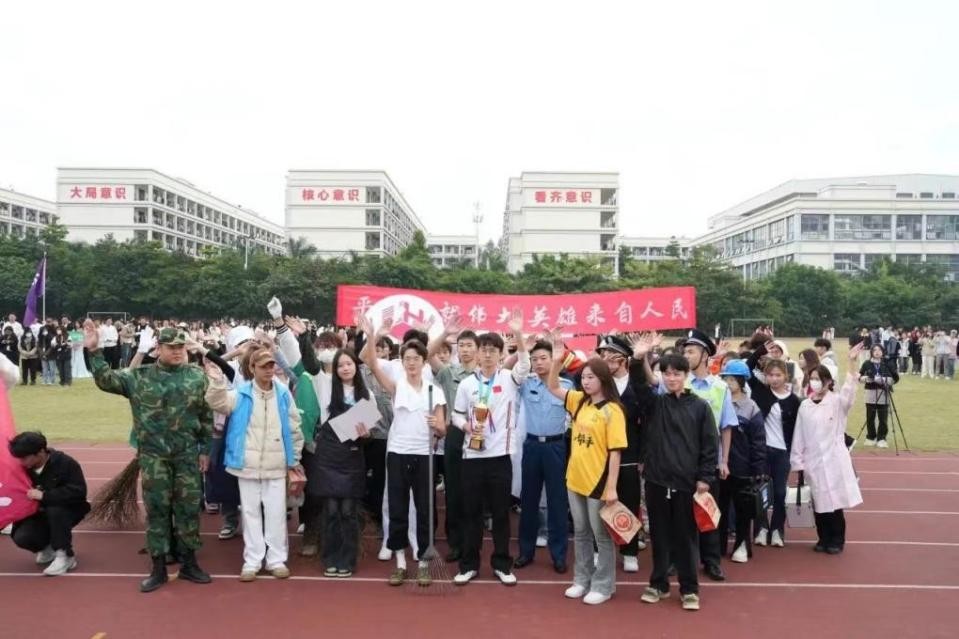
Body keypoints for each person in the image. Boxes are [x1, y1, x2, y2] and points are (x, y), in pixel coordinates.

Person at [86, 320, 214, 593]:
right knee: (157, 511)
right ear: (159, 348)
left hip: (186, 456)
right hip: (154, 458)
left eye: (181, 347)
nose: (177, 351)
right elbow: (106, 380)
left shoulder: (197, 377)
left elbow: (205, 416)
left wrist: (205, 450)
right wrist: (95, 351)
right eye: (171, 347)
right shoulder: (139, 377)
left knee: (189, 510)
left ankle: (189, 563)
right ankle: (158, 568)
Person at [357, 315, 446, 587]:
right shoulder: (396, 386)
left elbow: (443, 428)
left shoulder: (434, 391)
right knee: (397, 507)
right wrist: (371, 335)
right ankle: (400, 563)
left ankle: (423, 562)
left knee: (424, 509)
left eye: (416, 358)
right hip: (397, 453)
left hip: (424, 455)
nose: (411, 363)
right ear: (402, 361)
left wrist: (437, 426)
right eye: (407, 358)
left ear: (423, 361)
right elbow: (371, 362)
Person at [631, 335, 718, 612]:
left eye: (676, 374)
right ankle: (658, 584)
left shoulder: (700, 407)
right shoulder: (656, 404)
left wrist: (704, 478)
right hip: (656, 481)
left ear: (685, 375)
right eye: (666, 373)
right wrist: (638, 358)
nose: (671, 378)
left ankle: (689, 589)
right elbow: (638, 385)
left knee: (686, 538)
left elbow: (709, 445)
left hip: (686, 483)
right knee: (659, 536)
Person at [204, 344, 304, 581]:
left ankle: (276, 559)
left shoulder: (282, 393)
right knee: (250, 514)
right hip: (247, 464)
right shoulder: (241, 393)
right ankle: (252, 560)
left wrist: (295, 458)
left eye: (271, 365)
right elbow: (217, 403)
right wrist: (216, 382)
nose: (269, 370)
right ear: (252, 368)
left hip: (276, 464)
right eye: (264, 366)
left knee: (276, 514)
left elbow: (294, 426)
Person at [546, 331, 626, 606]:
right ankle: (582, 579)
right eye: (584, 377)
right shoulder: (579, 400)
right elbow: (553, 386)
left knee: (600, 535)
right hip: (575, 478)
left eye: (591, 377)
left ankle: (603, 585)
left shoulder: (613, 410)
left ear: (603, 379)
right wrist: (557, 361)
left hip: (598, 481)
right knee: (580, 533)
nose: (586, 381)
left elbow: (615, 452)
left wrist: (612, 487)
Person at [451, 315, 529, 587]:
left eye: (492, 350)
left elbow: (525, 364)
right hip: (472, 456)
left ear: (500, 354)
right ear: (477, 354)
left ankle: (502, 564)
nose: (487, 355)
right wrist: (466, 426)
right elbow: (456, 414)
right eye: (483, 350)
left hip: (500, 457)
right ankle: (469, 565)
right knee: (471, 513)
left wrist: (518, 335)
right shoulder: (467, 384)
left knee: (500, 514)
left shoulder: (508, 378)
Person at [790, 345, 865, 554]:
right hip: (813, 460)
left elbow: (850, 391)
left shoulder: (837, 402)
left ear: (828, 382)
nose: (815, 382)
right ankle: (823, 537)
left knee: (834, 502)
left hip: (834, 459)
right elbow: (799, 435)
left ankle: (837, 539)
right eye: (812, 378)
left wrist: (851, 361)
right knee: (818, 501)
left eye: (819, 379)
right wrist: (798, 462)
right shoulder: (805, 406)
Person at [676, 329, 737, 582]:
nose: (686, 355)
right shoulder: (679, 383)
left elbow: (726, 426)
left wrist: (724, 460)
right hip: (680, 461)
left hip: (708, 461)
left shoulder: (720, 387)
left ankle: (711, 561)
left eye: (691, 351)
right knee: (680, 514)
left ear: (704, 356)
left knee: (709, 512)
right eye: (685, 351)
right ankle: (679, 560)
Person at [310, 349, 371, 578]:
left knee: (347, 511)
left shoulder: (366, 395)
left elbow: (368, 433)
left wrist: (366, 434)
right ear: (334, 369)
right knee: (331, 510)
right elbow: (307, 362)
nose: (345, 368)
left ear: (356, 366)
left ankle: (347, 560)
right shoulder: (326, 387)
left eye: (349, 364)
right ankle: (330, 559)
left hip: (352, 457)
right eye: (340, 365)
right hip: (328, 457)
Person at [515, 338, 573, 574]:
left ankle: (558, 555)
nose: (538, 363)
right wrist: (521, 343)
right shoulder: (525, 383)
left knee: (557, 502)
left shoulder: (567, 385)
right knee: (528, 501)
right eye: (534, 359)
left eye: (543, 358)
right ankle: (525, 552)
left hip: (556, 447)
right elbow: (512, 369)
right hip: (531, 446)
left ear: (553, 359)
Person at [427, 319, 478, 564]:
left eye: (470, 345)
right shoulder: (449, 373)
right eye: (462, 345)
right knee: (454, 492)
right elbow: (428, 354)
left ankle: (473, 543)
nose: (465, 350)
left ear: (478, 349)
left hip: (479, 436)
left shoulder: (485, 374)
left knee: (474, 492)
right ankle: (456, 543)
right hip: (454, 435)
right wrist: (445, 333)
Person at [595, 333, 646, 572]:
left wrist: (643, 456)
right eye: (602, 355)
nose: (606, 359)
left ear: (623, 358)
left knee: (629, 501)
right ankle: (599, 548)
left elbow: (646, 422)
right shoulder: (599, 383)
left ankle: (629, 551)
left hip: (629, 453)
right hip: (600, 453)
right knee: (598, 503)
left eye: (610, 355)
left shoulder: (636, 383)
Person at [8, 432, 91, 576]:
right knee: (22, 537)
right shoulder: (22, 469)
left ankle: (64, 555)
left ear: (40, 452)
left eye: (25, 458)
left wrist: (45, 496)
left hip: (69, 509)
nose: (21, 462)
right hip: (38, 512)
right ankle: (47, 548)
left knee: (55, 510)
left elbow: (78, 491)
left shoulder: (65, 463)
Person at [746, 339, 801, 548]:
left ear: (785, 376)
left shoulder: (794, 401)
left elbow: (798, 430)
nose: (774, 379)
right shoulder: (760, 391)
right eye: (770, 375)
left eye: (778, 375)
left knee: (779, 492)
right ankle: (761, 529)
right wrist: (759, 351)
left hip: (782, 453)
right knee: (761, 490)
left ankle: (777, 529)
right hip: (761, 451)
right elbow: (747, 369)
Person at [717, 360, 766, 563]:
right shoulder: (717, 401)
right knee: (719, 508)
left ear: (742, 381)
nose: (728, 383)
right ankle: (718, 546)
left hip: (742, 467)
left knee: (743, 509)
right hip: (718, 465)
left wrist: (758, 469)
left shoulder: (751, 407)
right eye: (725, 379)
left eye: (732, 379)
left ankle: (742, 545)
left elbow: (758, 441)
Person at [859, 344, 899, 448]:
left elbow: (894, 379)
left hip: (883, 395)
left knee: (883, 418)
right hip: (870, 394)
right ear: (871, 352)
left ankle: (881, 438)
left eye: (879, 350)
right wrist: (867, 378)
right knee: (870, 417)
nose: (877, 352)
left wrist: (881, 380)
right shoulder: (867, 363)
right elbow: (860, 377)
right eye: (875, 350)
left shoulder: (886, 364)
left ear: (882, 352)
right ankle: (870, 437)